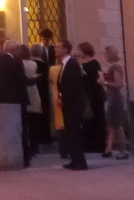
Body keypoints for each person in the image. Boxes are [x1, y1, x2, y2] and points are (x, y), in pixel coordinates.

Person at [0, 40, 32, 164]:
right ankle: (24, 157)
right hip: (17, 99)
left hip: (2, 99)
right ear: (15, 50)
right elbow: (21, 79)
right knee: (21, 128)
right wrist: (33, 80)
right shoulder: (16, 61)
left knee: (5, 129)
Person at [56, 40, 88, 170]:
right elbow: (63, 84)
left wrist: (62, 97)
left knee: (74, 133)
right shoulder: (65, 64)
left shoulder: (72, 65)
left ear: (65, 49)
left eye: (58, 47)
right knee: (70, 132)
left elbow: (73, 86)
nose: (56, 49)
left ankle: (80, 161)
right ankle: (74, 159)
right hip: (69, 104)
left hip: (74, 104)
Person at [78, 41, 106, 154]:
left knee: (97, 119)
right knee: (87, 120)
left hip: (95, 95)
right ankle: (88, 145)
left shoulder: (94, 63)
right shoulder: (80, 64)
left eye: (80, 50)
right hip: (85, 95)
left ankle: (99, 146)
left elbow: (100, 77)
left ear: (85, 51)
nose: (78, 52)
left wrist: (98, 80)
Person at [102, 45, 129, 159]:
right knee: (112, 126)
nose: (105, 55)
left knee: (117, 125)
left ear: (110, 55)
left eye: (106, 53)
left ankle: (123, 151)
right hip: (112, 98)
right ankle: (108, 149)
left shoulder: (116, 68)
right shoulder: (113, 68)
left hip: (116, 99)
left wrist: (105, 82)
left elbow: (119, 84)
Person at [19, 43, 44, 163]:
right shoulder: (33, 64)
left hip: (23, 91)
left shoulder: (19, 64)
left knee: (24, 123)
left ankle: (26, 146)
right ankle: (35, 147)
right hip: (33, 91)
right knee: (34, 123)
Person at [29, 42, 52, 145]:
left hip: (32, 92)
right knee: (44, 114)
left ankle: (35, 137)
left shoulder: (29, 64)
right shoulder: (45, 66)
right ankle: (45, 137)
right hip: (43, 92)